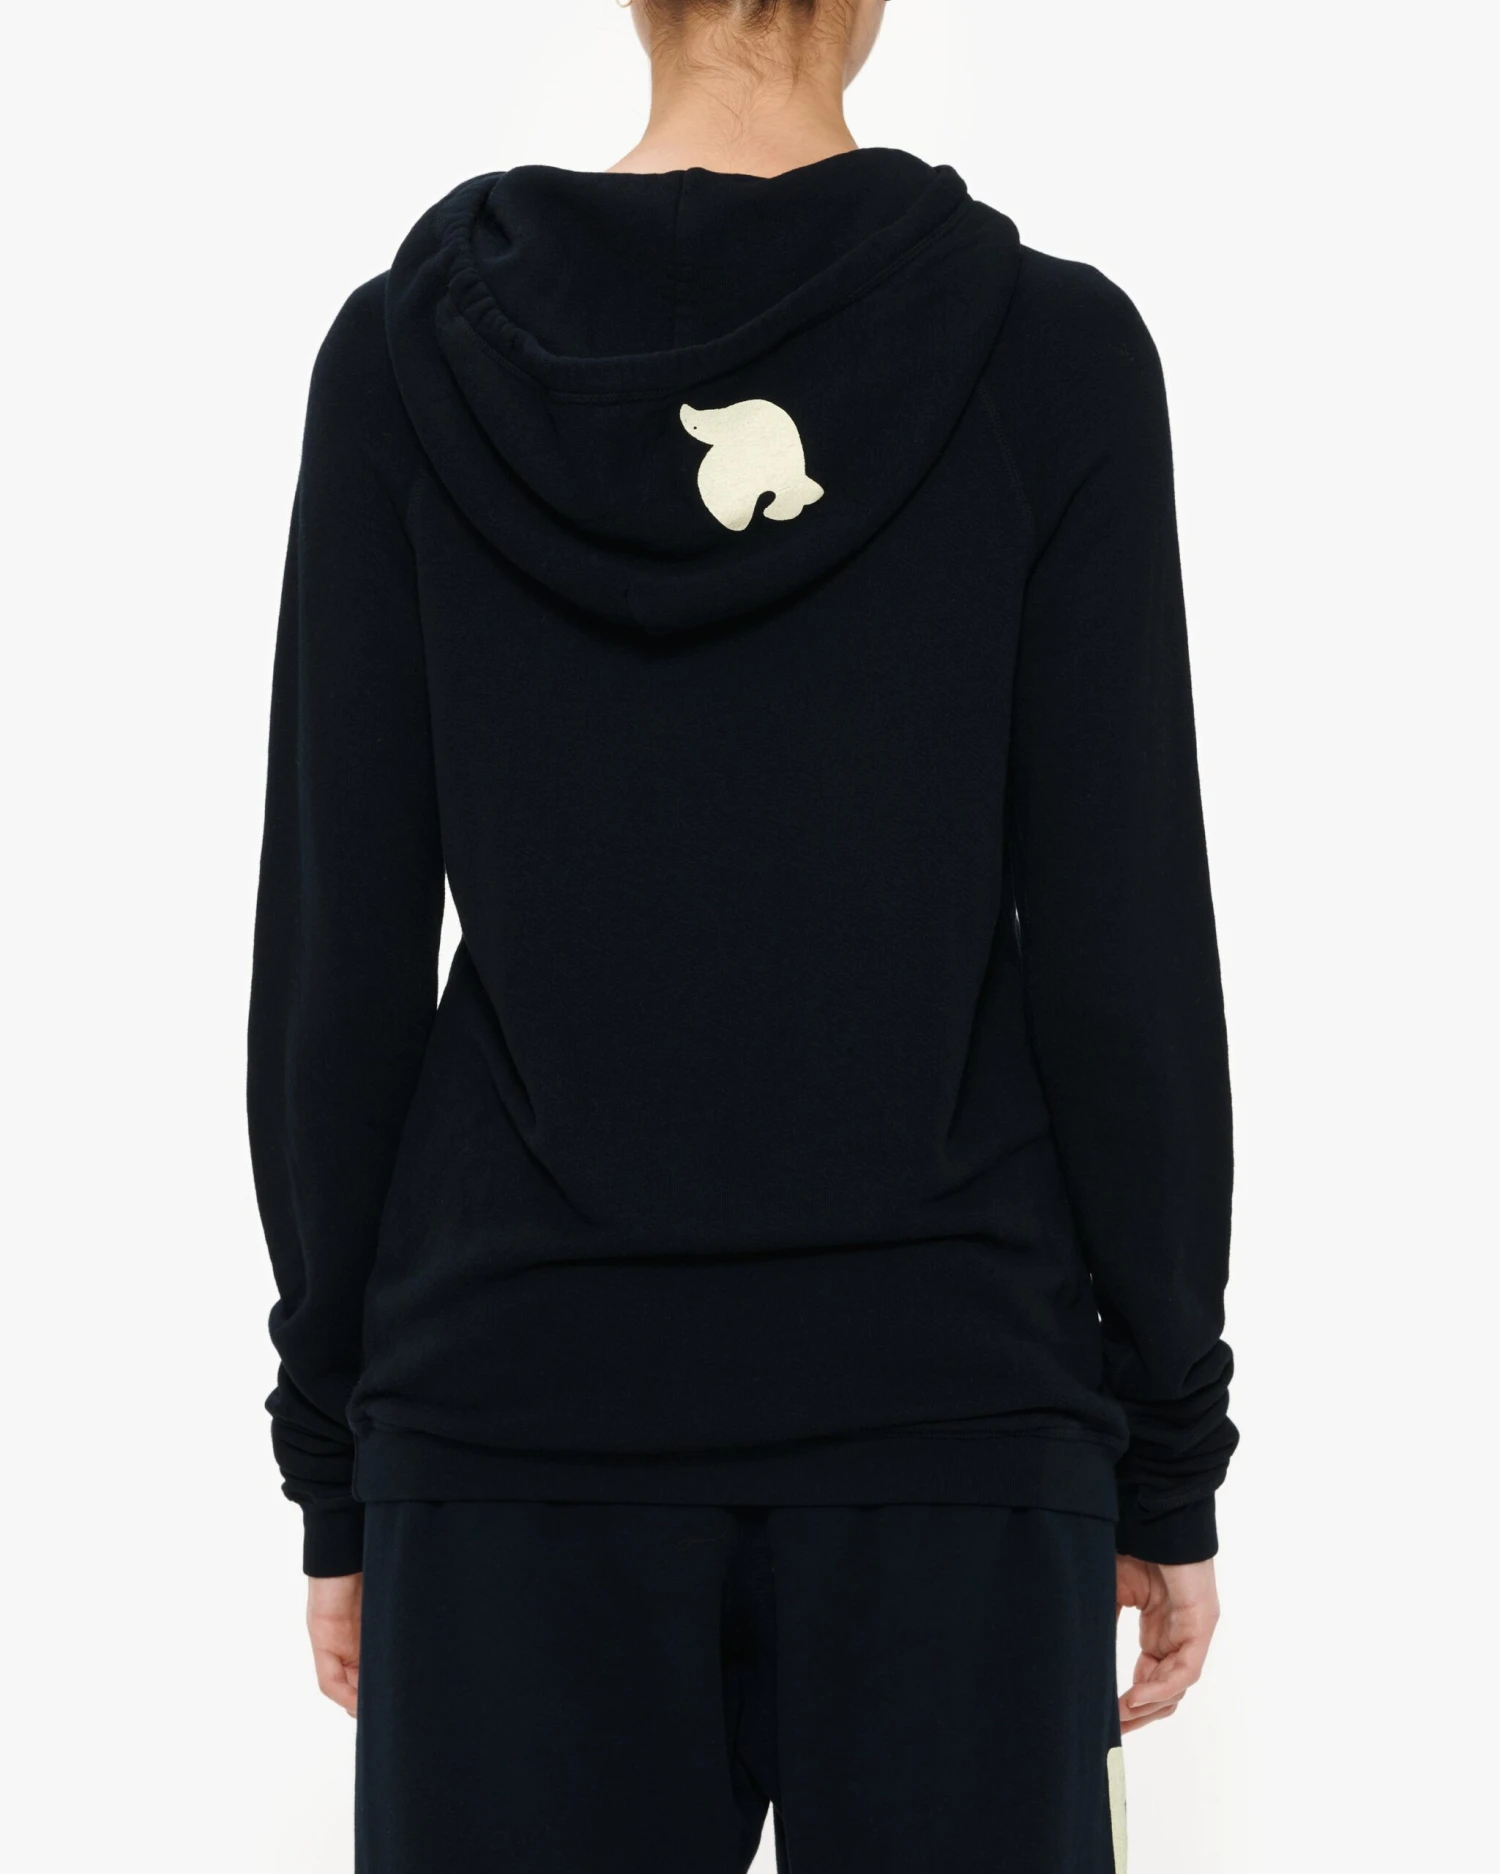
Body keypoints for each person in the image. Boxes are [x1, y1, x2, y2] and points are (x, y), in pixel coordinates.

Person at [247, 0, 1237, 1867]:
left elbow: (337, 958)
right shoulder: (1052, 360)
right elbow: (1123, 945)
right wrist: (1167, 1437)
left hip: (513, 1411)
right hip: (953, 1404)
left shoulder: (401, 368)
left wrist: (339, 1458)